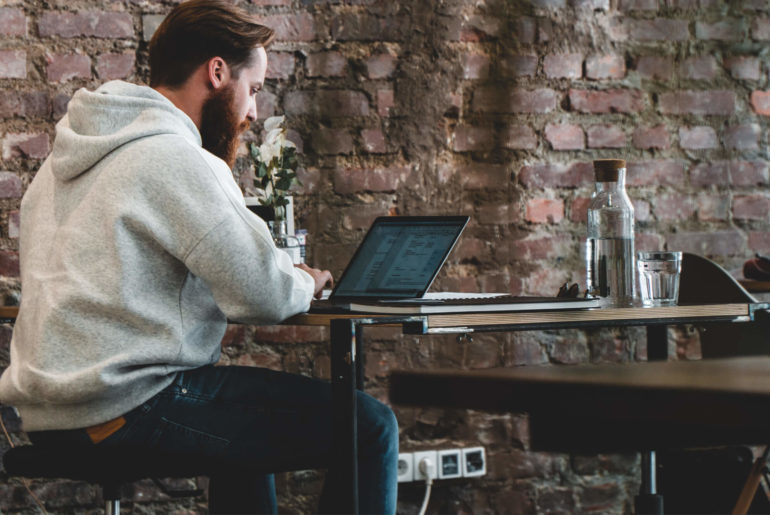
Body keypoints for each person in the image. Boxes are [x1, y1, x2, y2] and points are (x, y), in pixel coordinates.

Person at [0, 0, 398, 512]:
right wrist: (305, 279)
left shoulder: (59, 164)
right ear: (217, 73)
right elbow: (263, 293)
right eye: (252, 90)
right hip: (126, 405)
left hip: (48, 416)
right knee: (369, 426)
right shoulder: (176, 157)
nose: (253, 112)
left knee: (242, 440)